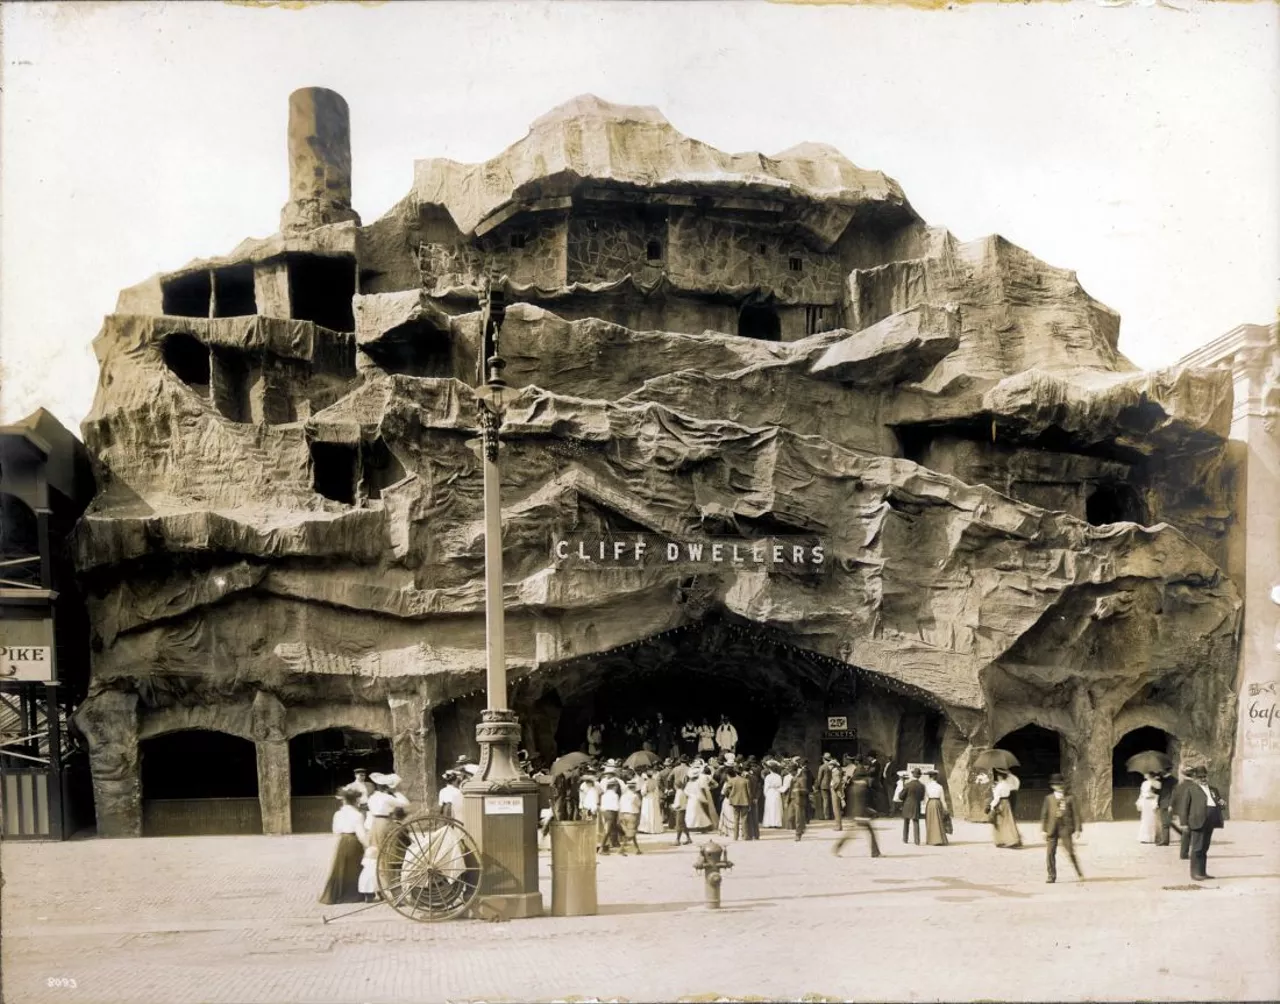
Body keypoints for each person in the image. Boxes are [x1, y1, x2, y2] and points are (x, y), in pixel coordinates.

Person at [1171, 765, 1225, 881]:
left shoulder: (1213, 789)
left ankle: (1202, 872)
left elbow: (1219, 803)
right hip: (1197, 821)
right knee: (1197, 848)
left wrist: (1222, 803)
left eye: (1204, 776)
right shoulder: (1191, 790)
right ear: (1195, 778)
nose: (1203, 779)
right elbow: (1184, 807)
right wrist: (1184, 823)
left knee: (1205, 847)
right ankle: (1195, 873)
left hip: (1210, 821)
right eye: (1200, 777)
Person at [319, 787, 369, 904]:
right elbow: (361, 834)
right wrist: (368, 846)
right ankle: (352, 894)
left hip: (342, 841)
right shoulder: (357, 815)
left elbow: (335, 830)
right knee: (354, 867)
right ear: (356, 801)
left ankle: (338, 894)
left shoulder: (338, 814)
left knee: (341, 867)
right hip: (353, 841)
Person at [1040, 773, 1083, 883]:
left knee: (1070, 851)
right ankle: (1051, 876)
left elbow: (1076, 814)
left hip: (1065, 828)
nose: (1059, 787)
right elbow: (1044, 815)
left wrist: (1078, 829)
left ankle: (1079, 872)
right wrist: (1043, 830)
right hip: (1052, 828)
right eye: (1056, 785)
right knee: (1050, 853)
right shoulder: (1048, 798)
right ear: (1052, 786)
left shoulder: (1070, 798)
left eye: (1060, 784)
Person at [833, 768, 881, 858]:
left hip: (855, 814)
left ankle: (837, 847)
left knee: (851, 834)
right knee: (868, 833)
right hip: (861, 815)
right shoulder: (863, 788)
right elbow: (863, 803)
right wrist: (868, 813)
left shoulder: (853, 787)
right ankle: (875, 852)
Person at [366, 772, 410, 850]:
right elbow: (406, 803)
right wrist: (395, 792)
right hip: (384, 822)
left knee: (378, 846)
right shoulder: (387, 798)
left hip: (374, 822)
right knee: (388, 844)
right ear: (387, 787)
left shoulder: (372, 797)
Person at [989, 768, 1022, 848]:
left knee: (999, 822)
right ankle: (1012, 839)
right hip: (1006, 802)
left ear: (1000, 776)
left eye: (998, 775)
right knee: (1008, 821)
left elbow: (996, 798)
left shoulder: (999, 786)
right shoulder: (1007, 784)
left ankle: (1001, 840)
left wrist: (992, 806)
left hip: (1001, 803)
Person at [722, 766, 752, 841]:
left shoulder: (732, 780)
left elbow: (726, 790)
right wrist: (750, 802)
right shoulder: (746, 781)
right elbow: (749, 793)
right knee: (744, 819)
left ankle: (735, 836)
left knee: (736, 819)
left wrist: (728, 796)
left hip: (734, 801)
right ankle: (745, 836)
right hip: (745, 801)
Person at [685, 765, 717, 832]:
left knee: (692, 813)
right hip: (697, 799)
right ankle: (703, 827)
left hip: (691, 800)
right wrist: (705, 798)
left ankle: (692, 827)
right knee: (700, 813)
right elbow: (701, 790)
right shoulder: (698, 782)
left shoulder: (689, 783)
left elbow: (686, 792)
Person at [899, 768, 926, 845]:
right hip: (916, 805)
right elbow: (921, 798)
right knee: (916, 822)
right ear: (919, 776)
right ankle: (917, 841)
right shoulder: (922, 786)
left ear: (912, 775)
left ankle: (905, 839)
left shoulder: (907, 785)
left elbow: (901, 796)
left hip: (907, 805)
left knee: (906, 822)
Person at [923, 770, 950, 846]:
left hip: (930, 803)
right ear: (936, 778)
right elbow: (943, 799)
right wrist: (945, 808)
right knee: (939, 820)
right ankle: (940, 839)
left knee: (930, 821)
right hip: (938, 803)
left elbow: (926, 798)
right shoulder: (939, 786)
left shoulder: (927, 786)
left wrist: (925, 806)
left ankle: (931, 840)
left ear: (930, 777)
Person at [598, 777, 624, 854]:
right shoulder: (615, 795)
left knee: (613, 828)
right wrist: (619, 815)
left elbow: (602, 806)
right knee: (608, 830)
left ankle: (617, 841)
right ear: (613, 787)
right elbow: (617, 806)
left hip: (605, 813)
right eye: (616, 786)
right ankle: (601, 848)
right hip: (612, 813)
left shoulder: (604, 795)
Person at [1136, 772, 1162, 844]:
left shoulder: (1157, 783)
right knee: (1145, 819)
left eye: (1146, 773)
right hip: (1145, 802)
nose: (1144, 775)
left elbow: (1158, 794)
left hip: (1152, 802)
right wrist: (1139, 802)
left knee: (1152, 819)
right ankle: (1145, 837)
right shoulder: (1144, 783)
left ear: (1150, 774)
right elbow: (1141, 794)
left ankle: (1154, 837)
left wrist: (1155, 802)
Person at [789, 759, 811, 841]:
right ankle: (802, 827)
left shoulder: (802, 778)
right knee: (791, 816)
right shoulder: (794, 777)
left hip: (800, 800)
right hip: (793, 799)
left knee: (798, 817)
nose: (790, 773)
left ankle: (798, 834)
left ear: (795, 770)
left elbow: (805, 790)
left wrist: (798, 790)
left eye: (791, 771)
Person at [619, 779, 643, 854]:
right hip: (632, 814)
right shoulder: (635, 796)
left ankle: (637, 849)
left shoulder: (623, 796)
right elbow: (639, 804)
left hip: (623, 814)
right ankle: (622, 849)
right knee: (630, 833)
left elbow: (620, 805)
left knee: (630, 832)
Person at [1155, 768, 1177, 846]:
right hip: (1162, 803)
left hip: (1167, 804)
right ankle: (1165, 840)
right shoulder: (1164, 779)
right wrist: (1154, 790)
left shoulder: (1173, 780)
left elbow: (1173, 794)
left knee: (1165, 823)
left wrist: (1171, 804)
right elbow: (1162, 792)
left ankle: (1165, 841)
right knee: (1166, 822)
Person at [762, 763, 784, 827]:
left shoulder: (768, 777)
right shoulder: (778, 776)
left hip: (770, 792)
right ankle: (777, 823)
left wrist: (765, 794)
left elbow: (766, 787)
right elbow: (780, 785)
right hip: (776, 792)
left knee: (769, 807)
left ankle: (769, 823)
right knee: (777, 807)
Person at [815, 754, 833, 821]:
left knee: (825, 800)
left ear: (824, 759)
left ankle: (826, 816)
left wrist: (817, 786)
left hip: (824, 785)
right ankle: (831, 815)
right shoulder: (832, 766)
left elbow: (819, 778)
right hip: (831, 784)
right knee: (830, 800)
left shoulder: (822, 767)